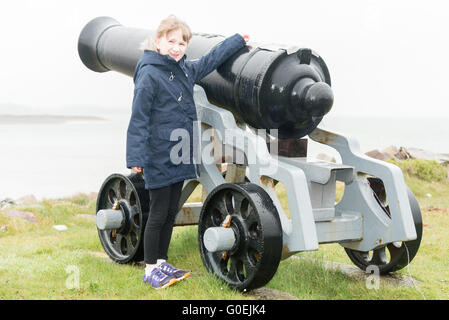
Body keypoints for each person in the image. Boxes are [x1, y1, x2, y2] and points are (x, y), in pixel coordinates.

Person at [126, 15, 248, 289]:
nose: (177, 47)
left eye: (182, 42)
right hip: (157, 154)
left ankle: (161, 262)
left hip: (179, 153)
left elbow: (209, 60)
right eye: (171, 41)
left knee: (170, 212)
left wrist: (237, 41)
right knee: (158, 213)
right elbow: (139, 117)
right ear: (158, 42)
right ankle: (149, 269)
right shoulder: (149, 73)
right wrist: (135, 157)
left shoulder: (183, 70)